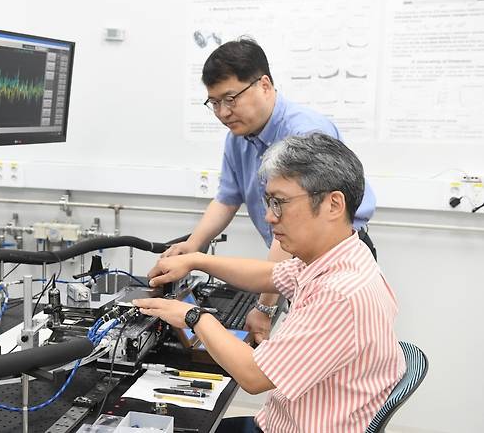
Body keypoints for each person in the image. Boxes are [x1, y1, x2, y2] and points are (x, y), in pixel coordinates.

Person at [135, 133, 404, 433]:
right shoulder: (337, 257)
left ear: (333, 204)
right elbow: (268, 275)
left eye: (279, 203)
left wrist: (192, 316)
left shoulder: (340, 292)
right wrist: (197, 259)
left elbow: (253, 375)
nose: (269, 217)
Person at [163, 38, 377, 343]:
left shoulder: (305, 134)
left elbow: (294, 222)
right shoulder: (238, 137)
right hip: (296, 262)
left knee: (315, 362)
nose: (223, 112)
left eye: (230, 98)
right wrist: (193, 246)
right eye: (214, 103)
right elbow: (227, 197)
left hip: (330, 263)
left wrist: (264, 306)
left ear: (264, 85)